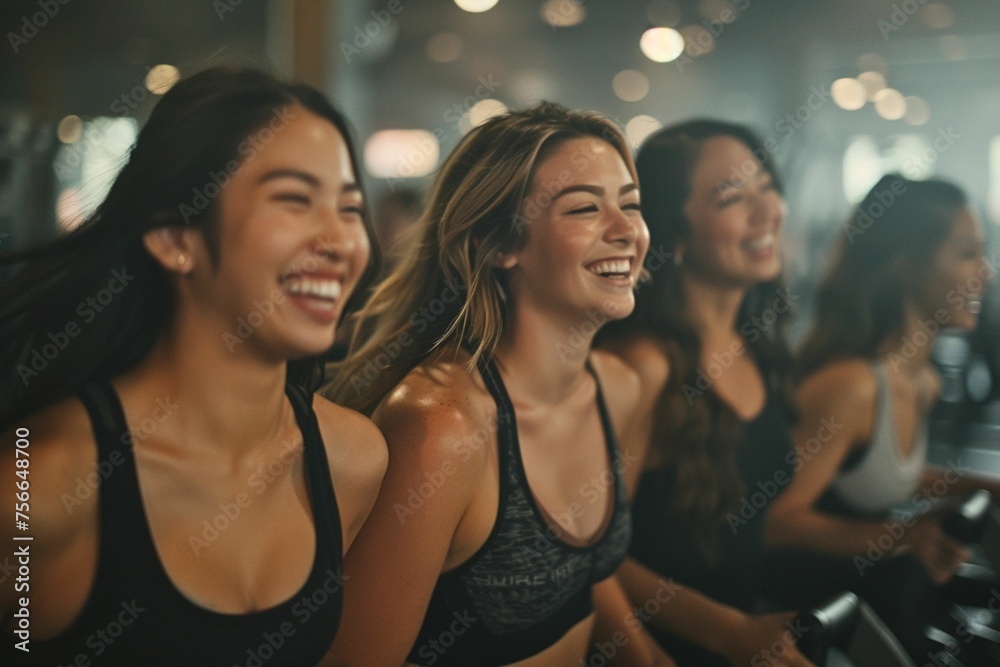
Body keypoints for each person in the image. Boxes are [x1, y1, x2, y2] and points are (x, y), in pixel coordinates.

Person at [0, 67, 387, 665]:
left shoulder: (351, 460)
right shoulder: (38, 484)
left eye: (350, 206)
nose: (340, 240)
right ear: (175, 237)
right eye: (294, 199)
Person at [322, 102, 674, 666]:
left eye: (631, 205)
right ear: (499, 245)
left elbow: (584, 573)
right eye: (585, 208)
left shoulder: (620, 388)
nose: (626, 230)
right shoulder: (444, 427)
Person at [599, 120, 814, 666]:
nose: (767, 212)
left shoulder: (759, 346)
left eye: (767, 186)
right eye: (732, 197)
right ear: (672, 230)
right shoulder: (643, 365)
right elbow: (587, 556)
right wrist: (728, 631)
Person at [765, 174, 1000, 608]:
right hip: (805, 616)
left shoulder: (924, 380)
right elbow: (777, 522)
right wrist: (902, 536)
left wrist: (977, 487)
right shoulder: (851, 387)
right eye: (967, 255)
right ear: (908, 263)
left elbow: (879, 476)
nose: (985, 274)